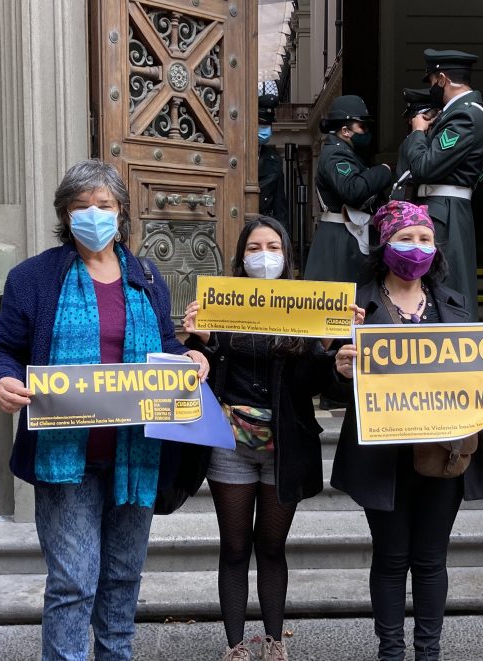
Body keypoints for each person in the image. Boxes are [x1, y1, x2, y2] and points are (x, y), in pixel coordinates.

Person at [0, 159, 210, 661]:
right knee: (72, 583)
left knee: (123, 578)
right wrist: (0, 380)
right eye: (81, 206)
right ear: (65, 215)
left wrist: (189, 357)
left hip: (136, 454)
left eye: (103, 206)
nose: (93, 214)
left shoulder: (147, 275)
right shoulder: (34, 278)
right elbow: (4, 350)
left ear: (121, 212)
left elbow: (166, 346)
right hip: (67, 460)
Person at [331, 200, 483, 661]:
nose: (416, 248)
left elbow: (477, 375)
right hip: (383, 457)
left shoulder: (455, 305)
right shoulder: (355, 306)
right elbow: (326, 375)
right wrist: (337, 365)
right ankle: (391, 652)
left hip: (444, 453)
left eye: (425, 239)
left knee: (431, 560)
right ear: (384, 244)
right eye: (405, 238)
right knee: (391, 559)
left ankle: (428, 652)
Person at [181, 217, 339, 661]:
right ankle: (235, 646)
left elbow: (312, 385)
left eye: (273, 246)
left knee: (272, 546)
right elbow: (201, 371)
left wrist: (323, 347)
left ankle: (274, 640)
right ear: (242, 256)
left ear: (286, 255)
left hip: (283, 445)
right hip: (229, 443)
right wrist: (205, 340)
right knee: (234, 547)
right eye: (254, 247)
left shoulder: (305, 306)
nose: (263, 255)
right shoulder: (222, 302)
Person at [398, 49, 483, 318]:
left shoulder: (465, 115)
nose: (431, 89)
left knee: (447, 285)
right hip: (443, 208)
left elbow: (425, 167)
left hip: (445, 211)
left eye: (431, 82)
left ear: (442, 78)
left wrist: (417, 131)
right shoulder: (457, 113)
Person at [302, 94, 393, 285]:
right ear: (345, 130)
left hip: (347, 236)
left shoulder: (346, 152)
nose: (366, 131)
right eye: (362, 126)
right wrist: (384, 171)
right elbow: (352, 190)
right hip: (340, 238)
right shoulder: (336, 154)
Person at [257, 94, 288, 223]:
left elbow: (280, 207)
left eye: (268, 125)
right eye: (262, 124)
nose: (266, 129)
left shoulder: (274, 160)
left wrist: (283, 239)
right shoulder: (235, 156)